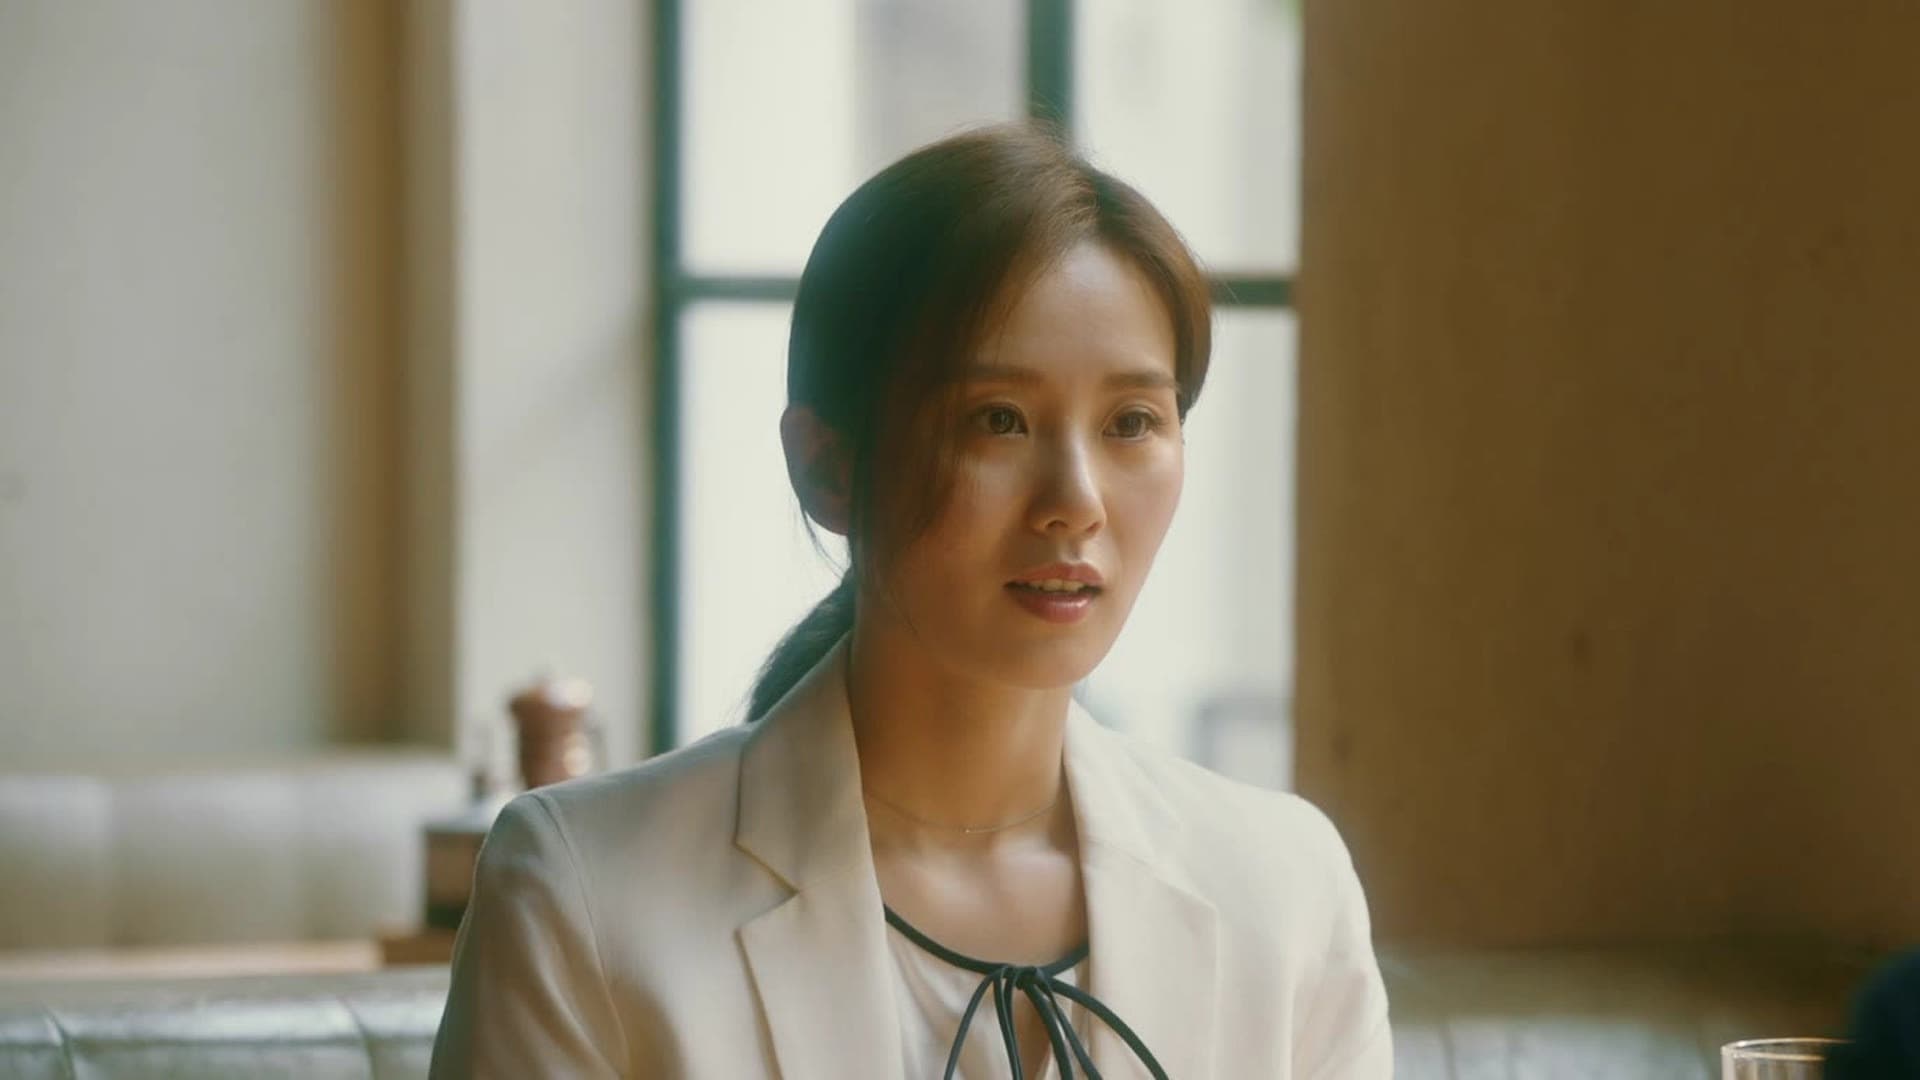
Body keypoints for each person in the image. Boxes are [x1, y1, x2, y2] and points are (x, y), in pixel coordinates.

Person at [430, 123, 1392, 1079]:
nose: (1076, 502)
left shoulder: (1282, 892)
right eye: (998, 420)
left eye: (1132, 422)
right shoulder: (585, 895)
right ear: (827, 467)